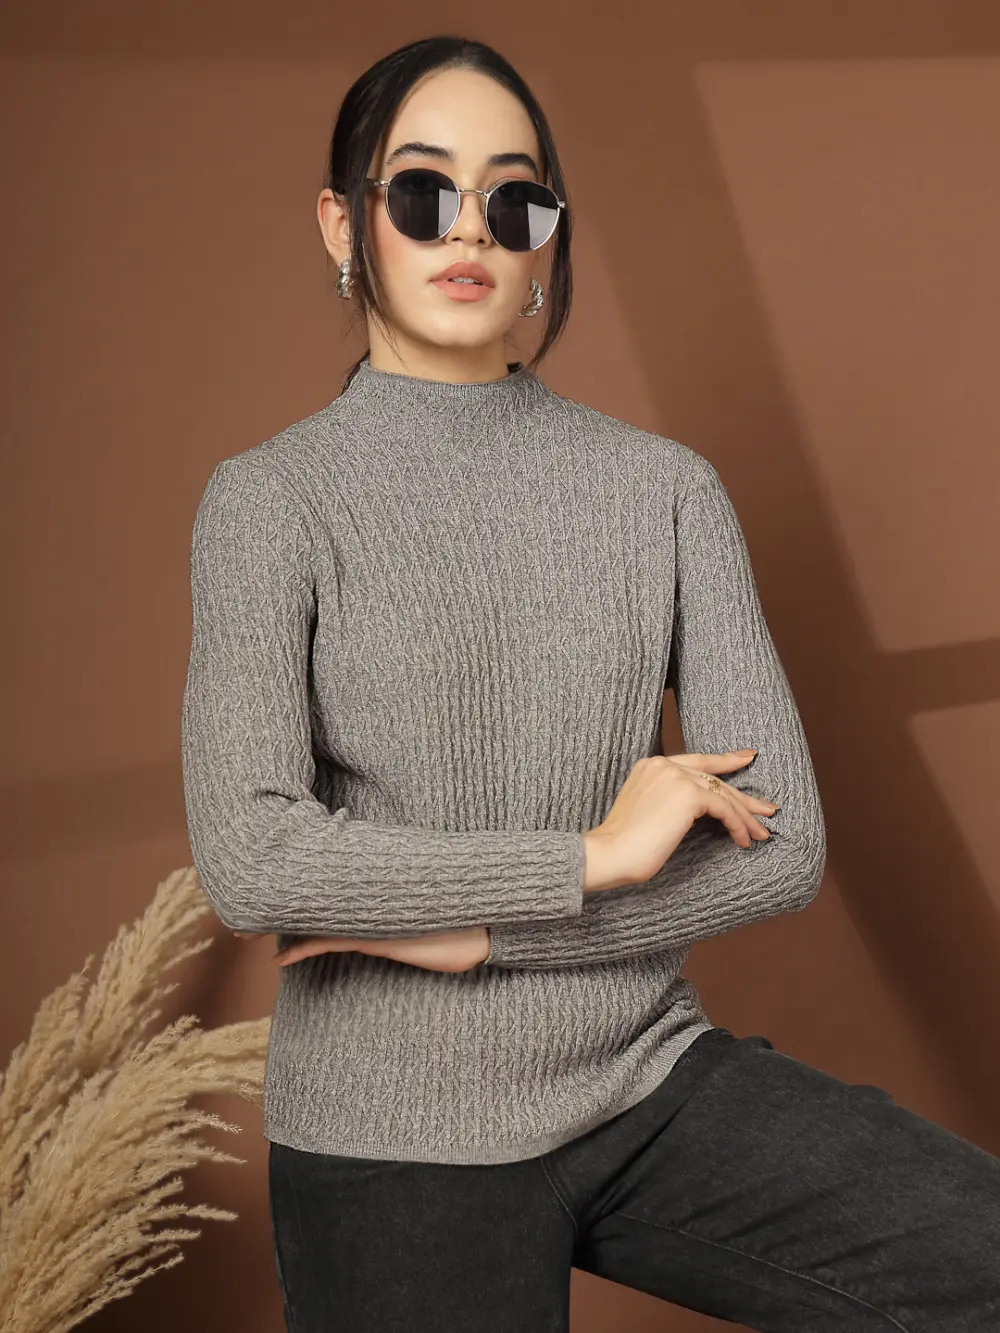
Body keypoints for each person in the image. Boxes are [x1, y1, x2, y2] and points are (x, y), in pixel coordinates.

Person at [179, 33, 1000, 1333]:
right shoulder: (269, 503)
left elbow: (784, 846)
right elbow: (253, 857)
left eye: (514, 200)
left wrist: (487, 936)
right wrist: (591, 860)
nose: (471, 228)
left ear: (546, 244)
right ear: (344, 223)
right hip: (395, 1134)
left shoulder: (663, 493)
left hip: (643, 1079)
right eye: (422, 191)